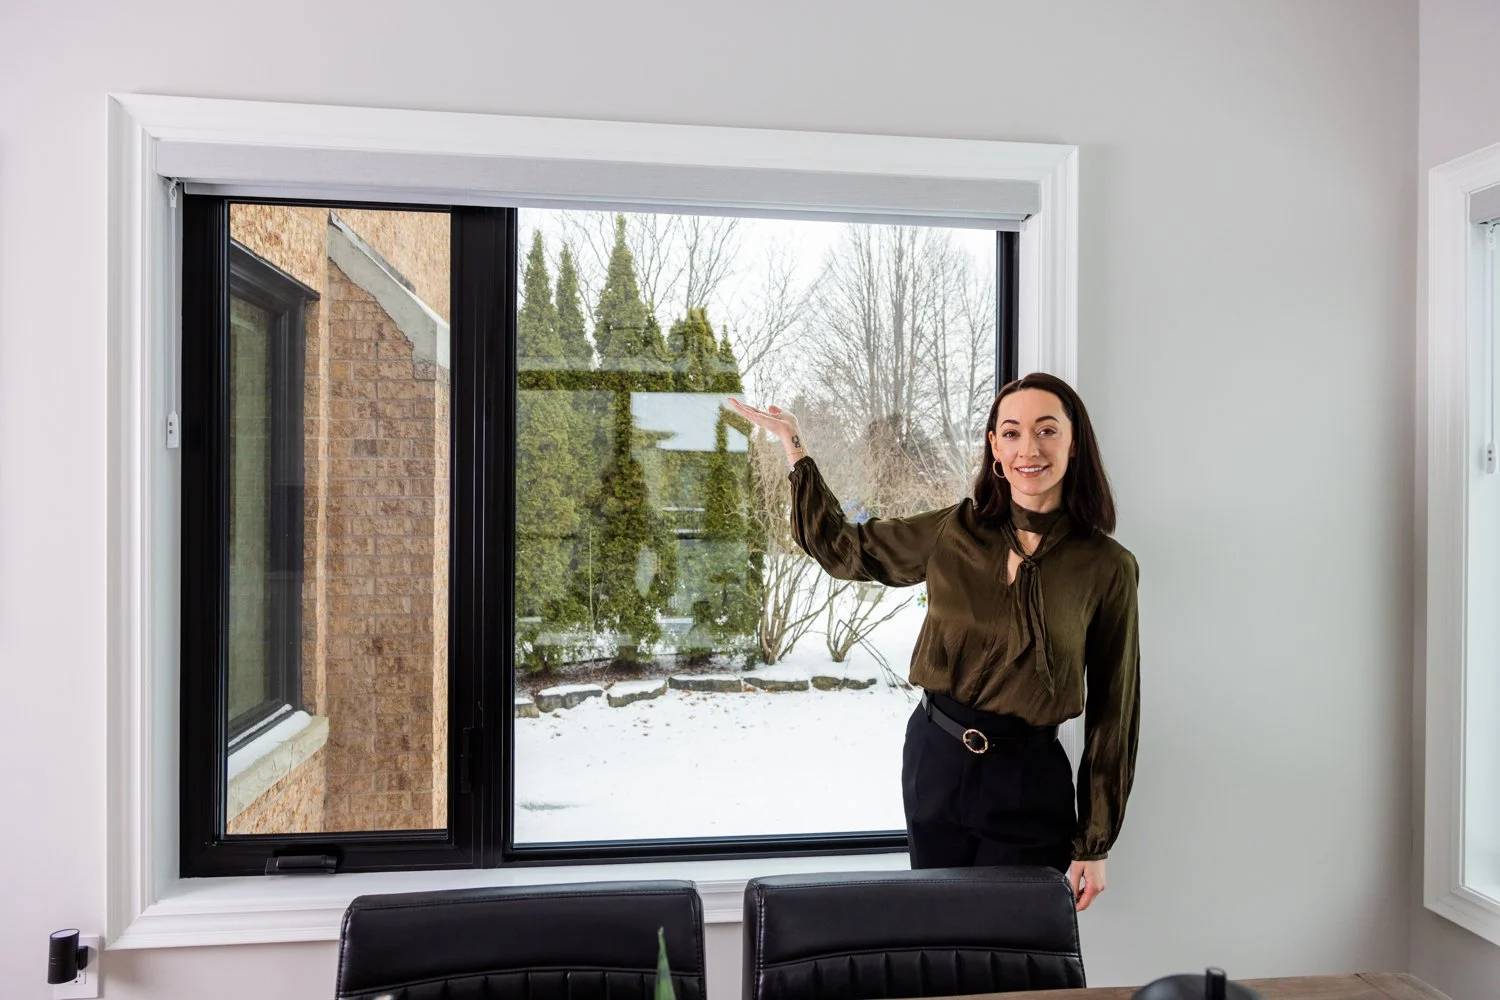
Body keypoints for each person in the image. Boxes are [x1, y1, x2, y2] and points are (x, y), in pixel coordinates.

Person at [724, 373, 1139, 913]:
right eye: (1010, 433)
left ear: (1074, 442)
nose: (1028, 449)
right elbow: (846, 548)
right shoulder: (954, 530)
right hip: (935, 761)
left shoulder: (1107, 567)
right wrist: (794, 446)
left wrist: (1096, 840)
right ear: (994, 447)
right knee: (940, 937)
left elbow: (1115, 710)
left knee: (1014, 955)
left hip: (1028, 782)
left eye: (1046, 430)